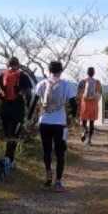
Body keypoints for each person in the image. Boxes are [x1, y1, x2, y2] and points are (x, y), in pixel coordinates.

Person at [33, 60, 77, 191]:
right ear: (61, 71)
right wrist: (72, 118)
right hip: (60, 124)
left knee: (46, 150)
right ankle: (58, 182)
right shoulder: (66, 85)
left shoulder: (42, 84)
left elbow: (34, 102)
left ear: (49, 70)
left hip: (44, 121)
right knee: (60, 152)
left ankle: (48, 176)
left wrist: (30, 118)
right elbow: (74, 104)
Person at [0, 56, 35, 180]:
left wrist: (2, 97)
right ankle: (7, 161)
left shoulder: (1, 75)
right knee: (13, 137)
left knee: (8, 136)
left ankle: (9, 161)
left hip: (4, 110)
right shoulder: (23, 76)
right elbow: (29, 94)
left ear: (7, 65)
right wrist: (27, 106)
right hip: (17, 111)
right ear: (18, 65)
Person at [77, 67, 103, 144]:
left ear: (87, 73)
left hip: (84, 105)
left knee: (84, 122)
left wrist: (79, 104)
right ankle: (89, 140)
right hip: (93, 105)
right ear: (94, 73)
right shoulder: (97, 82)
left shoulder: (82, 82)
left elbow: (79, 94)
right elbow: (99, 94)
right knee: (92, 123)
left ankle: (84, 131)